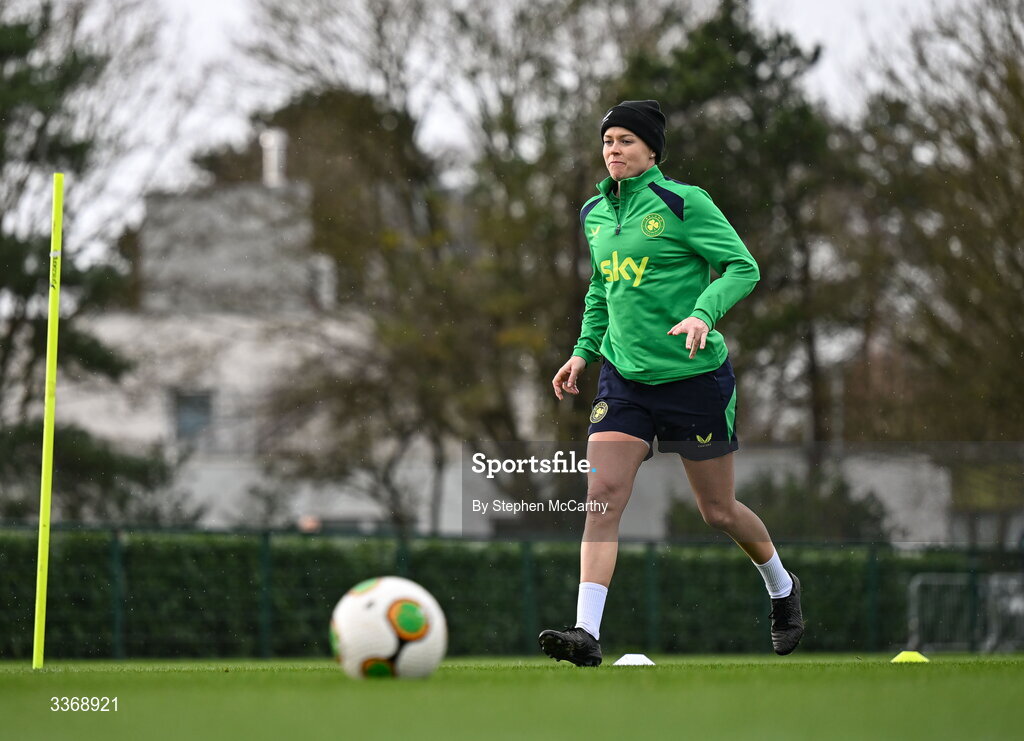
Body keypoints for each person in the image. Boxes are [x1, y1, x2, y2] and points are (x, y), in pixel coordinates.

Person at [538, 100, 804, 666]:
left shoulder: (684, 203)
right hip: (623, 379)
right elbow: (601, 291)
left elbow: (743, 267)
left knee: (718, 512)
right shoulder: (593, 212)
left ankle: (781, 586)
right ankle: (587, 632)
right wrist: (583, 353)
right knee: (602, 496)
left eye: (626, 140)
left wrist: (703, 315)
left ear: (652, 149)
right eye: (608, 140)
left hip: (694, 379)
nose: (614, 149)